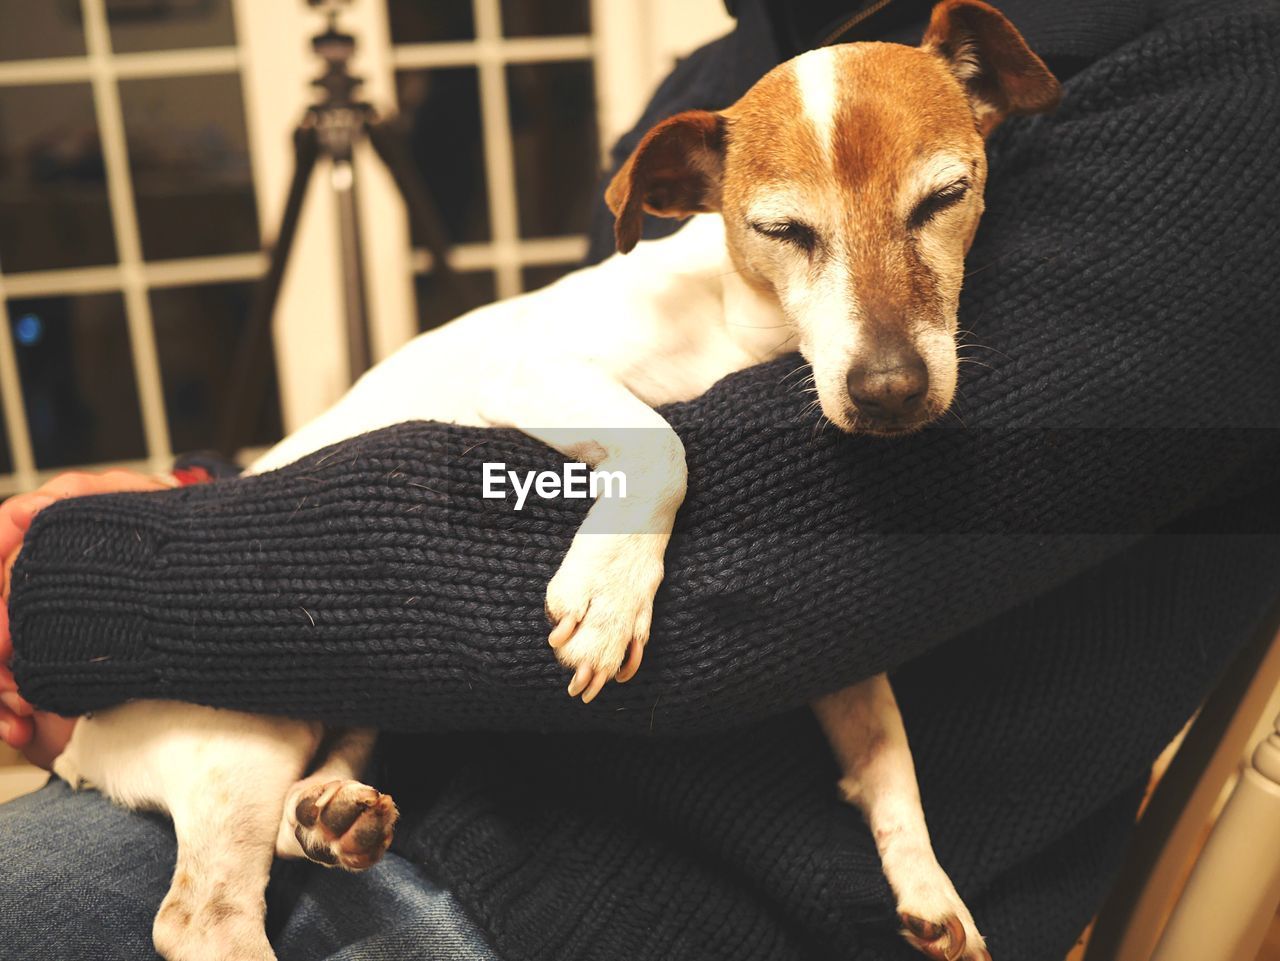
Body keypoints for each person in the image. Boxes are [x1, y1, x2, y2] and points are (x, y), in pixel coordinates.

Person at [3, 0, 1279, 958]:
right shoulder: (731, 84)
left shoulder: (1201, 105)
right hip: (413, 764)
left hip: (616, 892)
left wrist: (121, 578)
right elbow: (510, 448)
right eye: (785, 233)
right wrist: (195, 510)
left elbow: (742, 577)